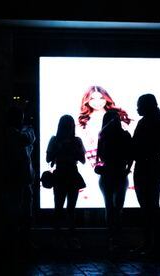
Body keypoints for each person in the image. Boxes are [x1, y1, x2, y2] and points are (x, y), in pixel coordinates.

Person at [131, 93, 160, 255]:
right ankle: (154, 244)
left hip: (145, 167)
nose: (137, 108)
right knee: (152, 206)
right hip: (155, 165)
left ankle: (150, 245)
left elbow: (135, 146)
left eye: (139, 105)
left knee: (147, 207)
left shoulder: (146, 122)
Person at [46, 114, 86, 248]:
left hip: (62, 174)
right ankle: (70, 238)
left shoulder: (56, 140)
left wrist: (61, 148)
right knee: (69, 209)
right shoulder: (76, 140)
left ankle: (58, 238)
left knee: (60, 207)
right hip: (71, 174)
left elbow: (48, 159)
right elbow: (83, 160)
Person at [96, 110, 133, 251]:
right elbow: (131, 156)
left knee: (110, 207)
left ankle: (111, 239)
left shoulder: (103, 136)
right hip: (119, 173)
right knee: (117, 208)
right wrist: (127, 169)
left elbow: (100, 157)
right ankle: (116, 239)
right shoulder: (124, 135)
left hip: (108, 173)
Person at [4, 105, 36, 254]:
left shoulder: (15, 133)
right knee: (17, 212)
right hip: (16, 179)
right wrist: (28, 130)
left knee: (24, 212)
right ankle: (18, 243)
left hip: (23, 179)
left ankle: (21, 241)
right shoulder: (12, 133)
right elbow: (27, 139)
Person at [78, 85, 132, 168]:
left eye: (101, 98)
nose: (97, 102)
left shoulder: (116, 116)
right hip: (94, 162)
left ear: (106, 98)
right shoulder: (84, 121)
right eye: (92, 99)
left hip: (118, 159)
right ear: (87, 100)